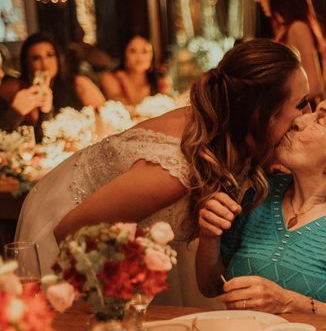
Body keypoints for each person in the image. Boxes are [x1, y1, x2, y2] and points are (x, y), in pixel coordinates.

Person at [15, 39, 311, 307]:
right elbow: (72, 233)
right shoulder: (173, 172)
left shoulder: (226, 130)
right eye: (300, 104)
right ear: (262, 114)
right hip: (66, 228)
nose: (307, 114)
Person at [196, 87, 326, 318]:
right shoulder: (261, 190)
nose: (299, 120)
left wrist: (289, 303)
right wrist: (209, 235)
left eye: (320, 119)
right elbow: (210, 286)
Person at [0, 33, 105, 132]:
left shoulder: (78, 82)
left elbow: (107, 117)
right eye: (36, 58)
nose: (44, 63)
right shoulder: (17, 89)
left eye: (50, 55)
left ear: (58, 58)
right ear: (27, 63)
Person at [256, 0, 326, 106]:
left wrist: (275, 104)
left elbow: (315, 85)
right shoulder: (286, 29)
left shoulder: (297, 28)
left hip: (303, 115)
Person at [99, 35, 172, 107]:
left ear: (152, 55)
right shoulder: (110, 78)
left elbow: (168, 108)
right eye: (133, 51)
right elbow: (121, 108)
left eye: (145, 51)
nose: (139, 57)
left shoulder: (161, 81)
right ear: (125, 55)